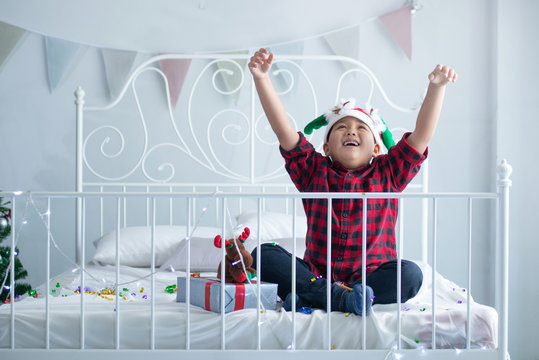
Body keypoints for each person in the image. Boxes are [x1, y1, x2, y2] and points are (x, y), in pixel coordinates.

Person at [248, 48, 457, 316]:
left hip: (370, 279)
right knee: (263, 254)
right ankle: (340, 298)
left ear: (376, 149)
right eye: (341, 127)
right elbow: (284, 132)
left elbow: (420, 138)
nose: (351, 131)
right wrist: (262, 79)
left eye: (361, 128)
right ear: (325, 147)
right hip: (316, 274)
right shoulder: (313, 171)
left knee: (411, 275)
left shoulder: (389, 173)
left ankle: (315, 297)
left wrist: (436, 87)